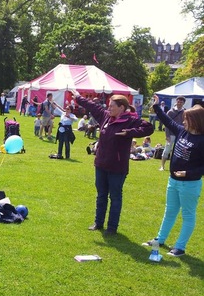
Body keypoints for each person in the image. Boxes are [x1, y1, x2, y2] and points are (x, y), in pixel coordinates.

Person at [73, 91, 154, 235]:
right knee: (101, 195)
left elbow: (149, 127)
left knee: (115, 197)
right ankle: (98, 223)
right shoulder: (105, 117)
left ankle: (112, 228)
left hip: (117, 167)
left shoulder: (130, 120)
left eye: (112, 106)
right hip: (101, 164)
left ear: (122, 107)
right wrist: (78, 97)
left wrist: (129, 132)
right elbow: (92, 106)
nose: (109, 108)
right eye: (109, 106)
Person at [143, 96, 204, 256]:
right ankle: (160, 239)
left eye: (186, 119)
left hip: (190, 184)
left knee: (188, 215)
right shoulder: (183, 131)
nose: (184, 122)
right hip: (173, 181)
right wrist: (157, 107)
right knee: (169, 211)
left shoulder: (202, 140)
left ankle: (180, 247)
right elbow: (168, 122)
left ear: (196, 121)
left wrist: (189, 173)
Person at [159, 96, 185, 171]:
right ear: (176, 102)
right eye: (178, 101)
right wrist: (167, 135)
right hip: (171, 133)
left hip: (181, 134)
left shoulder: (185, 112)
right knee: (167, 149)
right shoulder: (170, 112)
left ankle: (177, 167)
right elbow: (167, 124)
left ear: (183, 103)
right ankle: (162, 166)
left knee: (180, 151)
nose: (179, 103)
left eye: (181, 102)